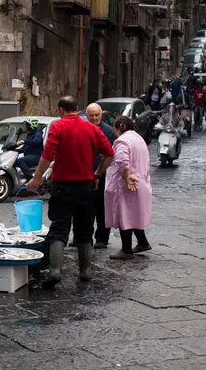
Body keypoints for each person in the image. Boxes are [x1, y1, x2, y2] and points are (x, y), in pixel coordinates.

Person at [27, 96, 114, 288]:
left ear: (61, 109)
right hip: (86, 186)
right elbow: (109, 153)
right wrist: (98, 173)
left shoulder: (58, 127)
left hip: (63, 186)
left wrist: (37, 177)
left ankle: (55, 271)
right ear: (77, 109)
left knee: (59, 227)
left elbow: (47, 155)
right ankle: (86, 271)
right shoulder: (92, 128)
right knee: (84, 230)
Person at [105, 116, 152, 259]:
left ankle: (126, 249)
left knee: (124, 215)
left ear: (117, 128)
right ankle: (143, 242)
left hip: (127, 184)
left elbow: (121, 160)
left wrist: (127, 177)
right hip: (141, 181)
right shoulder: (138, 138)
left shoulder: (122, 141)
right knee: (134, 214)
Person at [86, 103, 116, 249]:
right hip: (85, 173)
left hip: (103, 174)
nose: (94, 118)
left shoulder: (108, 131)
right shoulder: (84, 129)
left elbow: (109, 155)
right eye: (91, 115)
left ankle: (102, 238)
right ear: (87, 116)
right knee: (85, 207)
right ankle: (84, 236)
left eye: (97, 115)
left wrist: (99, 172)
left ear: (101, 115)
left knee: (102, 207)